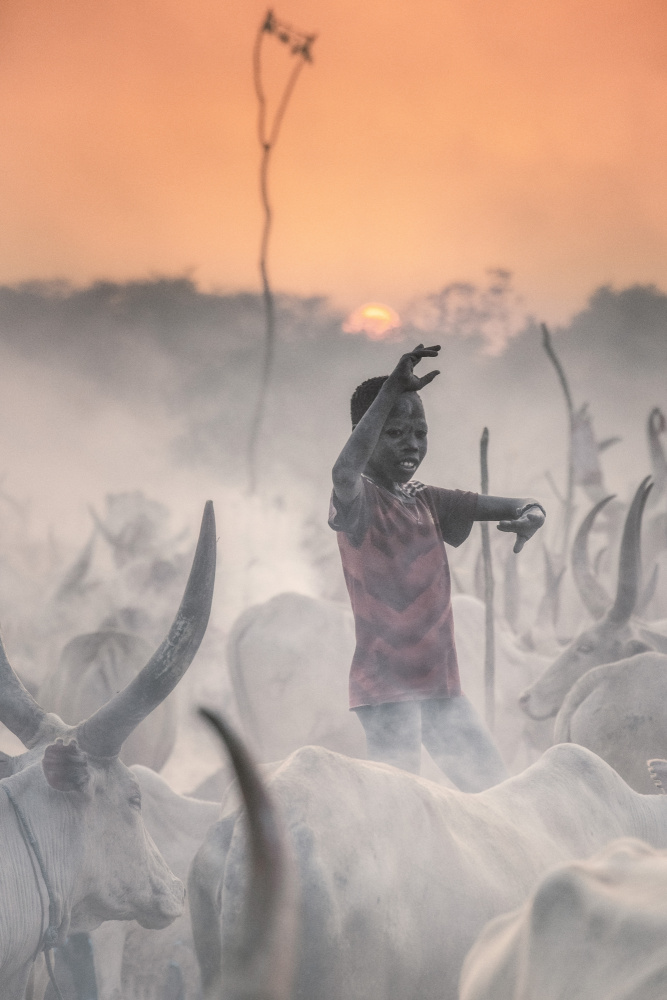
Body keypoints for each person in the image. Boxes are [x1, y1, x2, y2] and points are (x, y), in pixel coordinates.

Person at [329, 343, 546, 791]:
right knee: (402, 806)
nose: (411, 443)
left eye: (420, 432)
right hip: (388, 692)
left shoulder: (428, 499)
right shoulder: (359, 500)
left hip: (441, 689)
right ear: (364, 435)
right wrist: (391, 387)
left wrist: (534, 513)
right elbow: (344, 470)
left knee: (492, 791)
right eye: (394, 432)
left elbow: (519, 501)